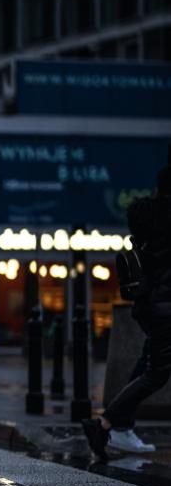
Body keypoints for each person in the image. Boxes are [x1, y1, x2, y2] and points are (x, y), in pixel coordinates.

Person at [82, 160, 171, 461]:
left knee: (152, 368)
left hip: (150, 306)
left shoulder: (146, 215)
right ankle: (105, 425)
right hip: (165, 308)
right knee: (155, 373)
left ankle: (108, 425)